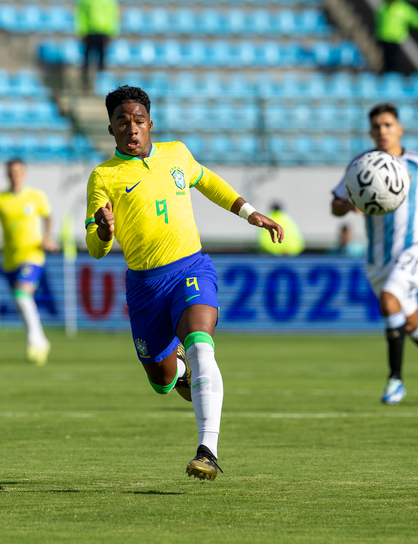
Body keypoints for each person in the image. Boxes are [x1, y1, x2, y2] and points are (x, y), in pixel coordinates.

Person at [85, 85, 284, 480]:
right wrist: (104, 232)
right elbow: (94, 247)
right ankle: (178, 371)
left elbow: (209, 182)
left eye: (138, 120)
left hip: (190, 269)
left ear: (150, 124)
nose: (131, 128)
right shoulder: (103, 177)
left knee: (200, 346)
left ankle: (207, 451)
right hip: (145, 287)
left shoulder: (177, 153)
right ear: (111, 129)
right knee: (162, 380)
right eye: (122, 122)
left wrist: (249, 212)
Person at [332, 103, 418, 404]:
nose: (382, 131)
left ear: (399, 129)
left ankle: (395, 379)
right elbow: (335, 205)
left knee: (388, 300)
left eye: (388, 125)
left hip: (414, 247)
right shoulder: (361, 165)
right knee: (408, 321)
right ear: (370, 132)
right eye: (377, 126)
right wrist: (352, 202)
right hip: (377, 257)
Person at [0, 159, 57, 365]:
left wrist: (47, 238)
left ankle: (35, 340)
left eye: (19, 171)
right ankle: (40, 339)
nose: (15, 175)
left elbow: (48, 217)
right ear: (7, 174)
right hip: (9, 259)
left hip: (32, 255)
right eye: (12, 172)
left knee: (21, 294)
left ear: (25, 174)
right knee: (20, 300)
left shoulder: (36, 197)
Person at [375, 0, 418, 73]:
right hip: (384, 38)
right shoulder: (382, 8)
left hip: (396, 39)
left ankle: (394, 74)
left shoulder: (400, 8)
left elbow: (415, 18)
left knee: (395, 60)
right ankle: (389, 75)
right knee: (387, 60)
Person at [75, 0, 119, 88]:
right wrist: (82, 31)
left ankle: (100, 86)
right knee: (86, 61)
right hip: (89, 33)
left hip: (103, 33)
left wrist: (111, 32)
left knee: (102, 62)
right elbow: (81, 15)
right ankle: (85, 84)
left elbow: (112, 16)